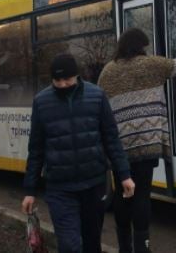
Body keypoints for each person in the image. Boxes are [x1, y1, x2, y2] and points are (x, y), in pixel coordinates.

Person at [97, 28, 176, 253]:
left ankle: (124, 247)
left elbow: (100, 104)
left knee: (122, 193)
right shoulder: (152, 65)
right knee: (142, 194)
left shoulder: (108, 71)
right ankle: (142, 246)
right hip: (148, 141)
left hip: (120, 145)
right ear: (140, 46)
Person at [21, 53, 135, 253]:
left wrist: (124, 174)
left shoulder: (97, 96)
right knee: (69, 245)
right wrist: (30, 190)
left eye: (67, 79)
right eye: (58, 80)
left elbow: (111, 139)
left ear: (77, 76)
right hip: (60, 188)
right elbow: (36, 149)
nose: (63, 84)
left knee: (92, 243)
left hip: (94, 184)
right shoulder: (41, 102)